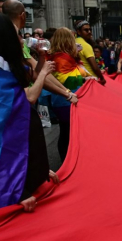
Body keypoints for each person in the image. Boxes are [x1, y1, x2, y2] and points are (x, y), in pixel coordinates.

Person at [0, 12, 63, 212]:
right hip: (8, 193)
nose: (22, 40)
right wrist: (15, 191)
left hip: (21, 177)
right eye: (18, 35)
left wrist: (36, 172)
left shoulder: (5, 71)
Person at [49, 28, 84, 161]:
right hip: (65, 99)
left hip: (66, 98)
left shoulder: (63, 56)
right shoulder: (60, 58)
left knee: (68, 131)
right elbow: (68, 79)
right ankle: (66, 161)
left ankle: (68, 159)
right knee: (67, 131)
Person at [75, 20, 106, 86]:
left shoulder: (73, 42)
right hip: (91, 80)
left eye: (90, 30)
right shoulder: (86, 45)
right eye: (86, 30)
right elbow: (95, 67)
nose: (89, 32)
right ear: (79, 32)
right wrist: (102, 78)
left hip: (80, 79)